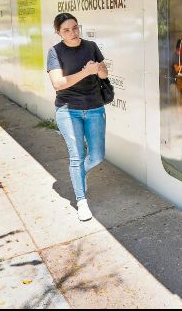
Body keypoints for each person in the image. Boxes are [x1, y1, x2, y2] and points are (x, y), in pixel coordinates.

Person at [47, 13, 108, 221]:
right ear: (58, 32)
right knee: (77, 156)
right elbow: (58, 83)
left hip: (94, 107)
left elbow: (103, 74)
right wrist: (85, 71)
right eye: (66, 30)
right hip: (67, 109)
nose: (72, 33)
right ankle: (81, 200)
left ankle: (78, 174)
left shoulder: (91, 46)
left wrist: (99, 69)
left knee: (98, 155)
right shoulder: (55, 52)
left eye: (75, 28)